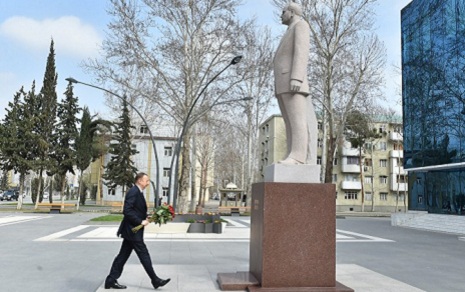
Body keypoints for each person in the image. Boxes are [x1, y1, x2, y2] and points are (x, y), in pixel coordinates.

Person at [104, 172, 170, 290]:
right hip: (132, 231)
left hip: (131, 231)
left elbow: (135, 209)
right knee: (144, 254)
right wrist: (140, 221)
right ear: (140, 180)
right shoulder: (134, 191)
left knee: (122, 256)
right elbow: (127, 211)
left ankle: (110, 280)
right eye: (147, 180)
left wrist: (146, 218)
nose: (148, 183)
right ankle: (155, 280)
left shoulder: (137, 192)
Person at [273, 2, 312, 164]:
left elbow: (301, 52)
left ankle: (298, 156)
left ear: (292, 12)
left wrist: (296, 77)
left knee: (297, 120)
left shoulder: (301, 25)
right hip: (283, 82)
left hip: (293, 81)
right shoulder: (290, 30)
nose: (281, 15)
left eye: (283, 12)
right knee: (289, 121)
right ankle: (291, 153)